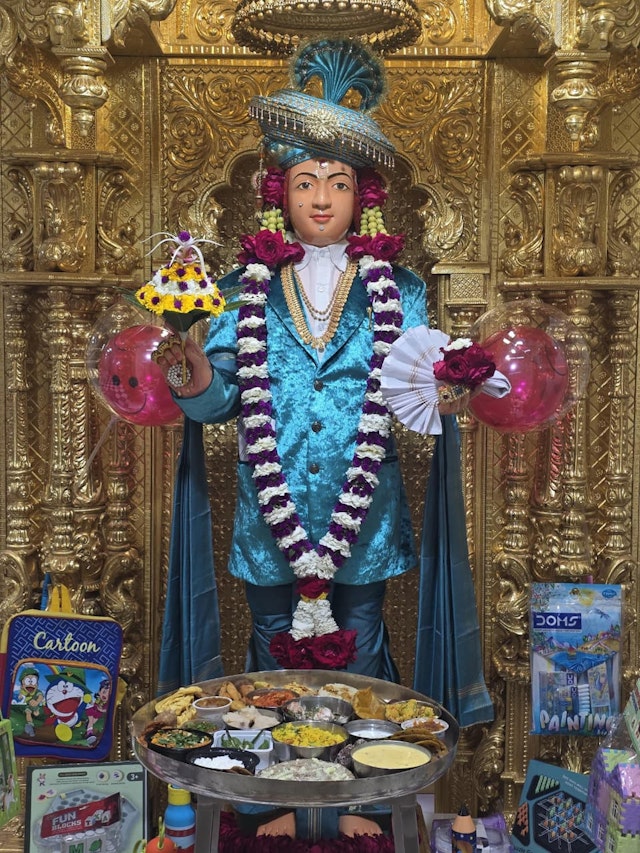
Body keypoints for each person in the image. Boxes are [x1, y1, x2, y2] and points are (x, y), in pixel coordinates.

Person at [154, 38, 464, 684]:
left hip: (365, 513)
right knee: (274, 656)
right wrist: (192, 372)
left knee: (361, 654)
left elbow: (414, 391)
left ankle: (364, 756)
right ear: (280, 194)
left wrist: (451, 390)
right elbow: (221, 402)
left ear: (362, 197)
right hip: (271, 511)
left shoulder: (400, 289)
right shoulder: (242, 288)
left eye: (338, 183)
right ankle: (273, 756)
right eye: (305, 183)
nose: (321, 198)